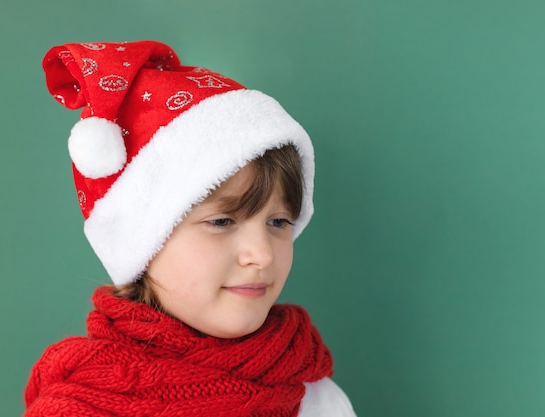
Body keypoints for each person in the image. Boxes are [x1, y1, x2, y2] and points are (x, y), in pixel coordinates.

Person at [24, 40, 356, 417]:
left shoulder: (314, 395)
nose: (262, 254)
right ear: (144, 244)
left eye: (278, 222)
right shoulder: (81, 405)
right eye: (222, 222)